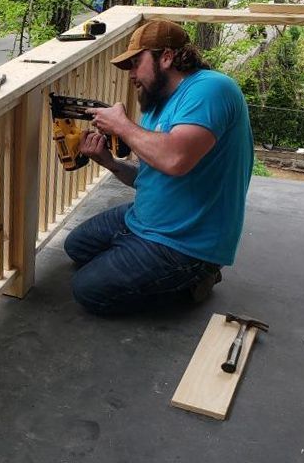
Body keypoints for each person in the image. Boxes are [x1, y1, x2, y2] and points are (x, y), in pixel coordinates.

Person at [63, 19, 254, 314]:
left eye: (136, 63)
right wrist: (111, 163)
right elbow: (151, 175)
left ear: (166, 57)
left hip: (186, 241)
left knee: (87, 291)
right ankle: (136, 257)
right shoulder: (160, 104)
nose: (131, 75)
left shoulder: (212, 88)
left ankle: (196, 279)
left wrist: (123, 125)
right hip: (143, 219)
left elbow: (175, 161)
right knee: (76, 246)